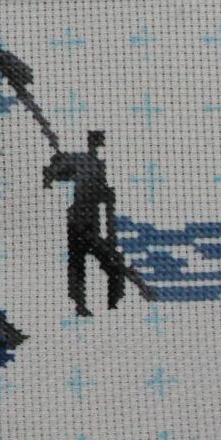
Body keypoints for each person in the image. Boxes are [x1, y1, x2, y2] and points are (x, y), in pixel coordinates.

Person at [42, 130, 154, 315]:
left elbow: (57, 172)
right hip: (80, 223)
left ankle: (108, 303)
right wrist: (53, 170)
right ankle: (86, 304)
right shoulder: (84, 162)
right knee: (82, 264)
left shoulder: (92, 167)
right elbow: (55, 172)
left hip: (89, 224)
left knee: (95, 264)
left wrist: (109, 237)